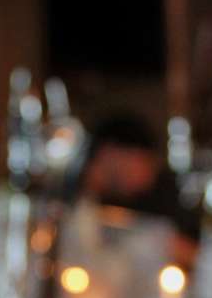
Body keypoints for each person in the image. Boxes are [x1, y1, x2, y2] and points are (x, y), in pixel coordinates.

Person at [79, 113, 198, 266]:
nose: (149, 174)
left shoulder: (157, 196)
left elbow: (190, 252)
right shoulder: (71, 199)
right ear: (110, 152)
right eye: (144, 162)